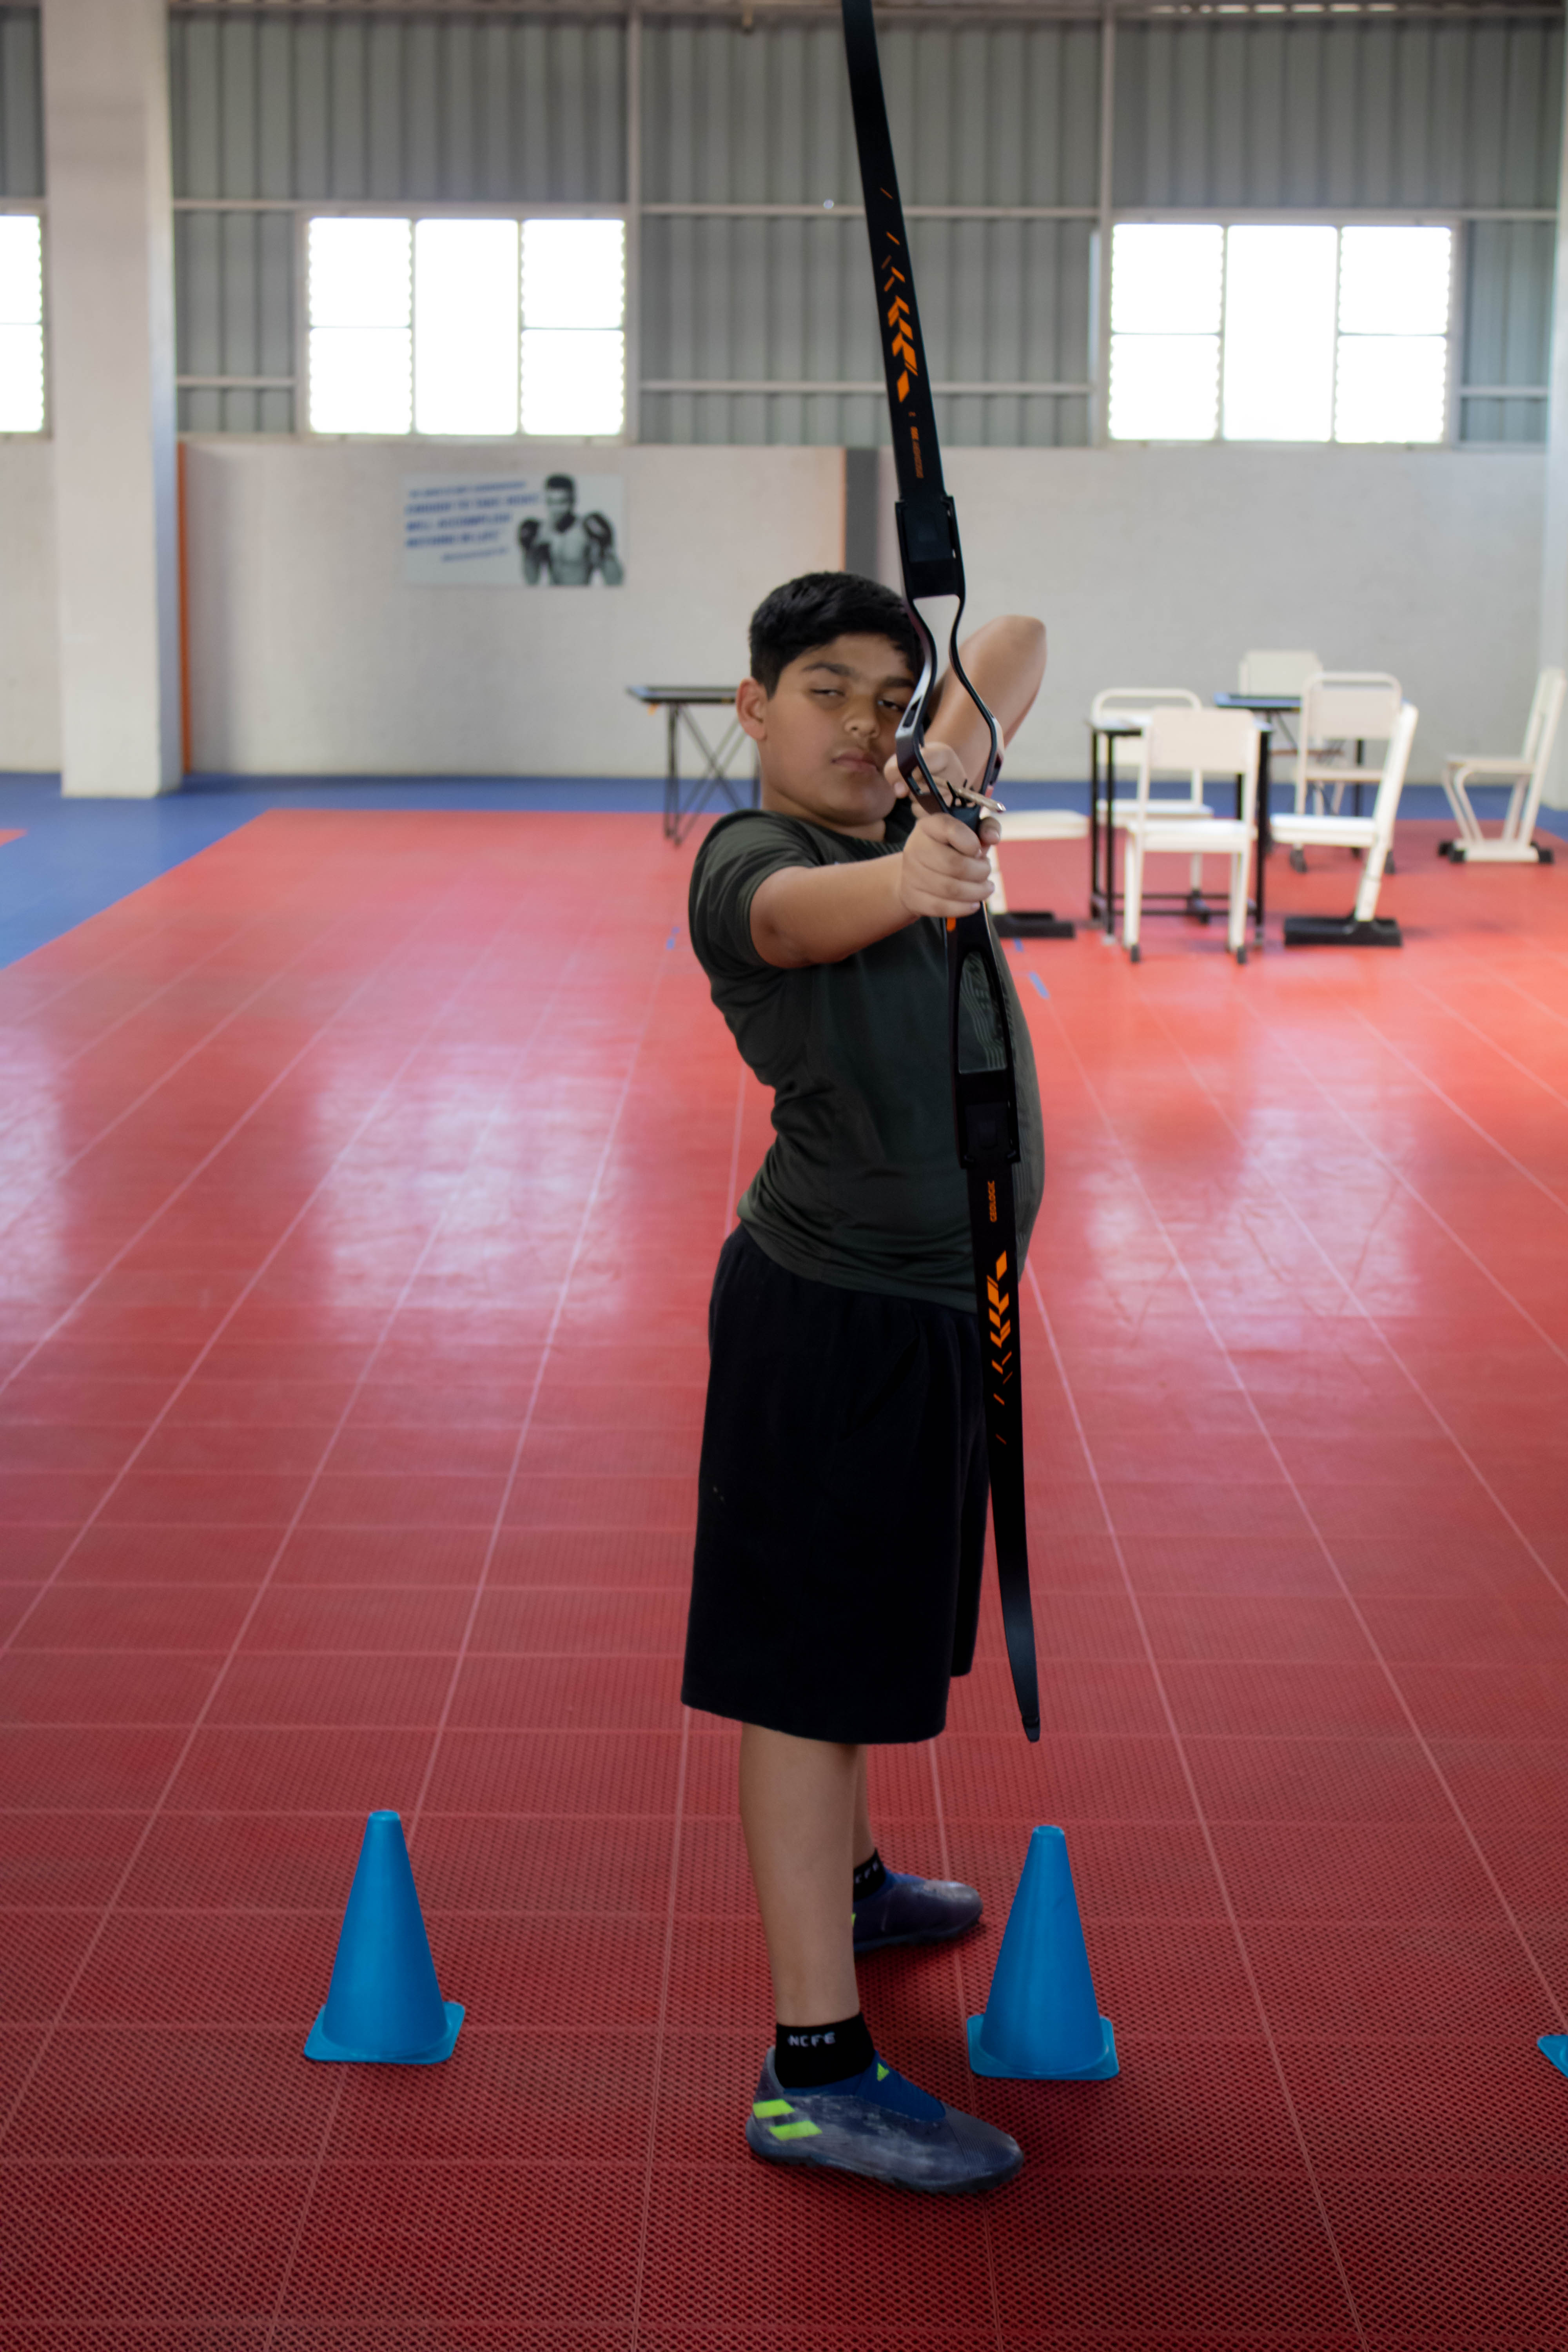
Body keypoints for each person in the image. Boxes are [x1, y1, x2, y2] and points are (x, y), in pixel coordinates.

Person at [684, 570, 1047, 2194]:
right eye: (822, 690)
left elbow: (1016, 641)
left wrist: (943, 756)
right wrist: (914, 867)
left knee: (870, 1632)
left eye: (885, 700)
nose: (858, 724)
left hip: (934, 1317)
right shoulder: (750, 858)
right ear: (753, 706)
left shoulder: (915, 793)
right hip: (830, 1322)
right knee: (807, 1678)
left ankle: (853, 1885)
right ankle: (812, 2073)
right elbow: (789, 919)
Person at [517, 473, 623, 585]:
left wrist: (606, 550)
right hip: (553, 594)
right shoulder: (541, 532)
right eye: (551, 502)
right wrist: (528, 553)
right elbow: (532, 580)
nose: (556, 509)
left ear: (574, 500)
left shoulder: (586, 531)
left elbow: (615, 581)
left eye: (562, 502)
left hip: (580, 595)